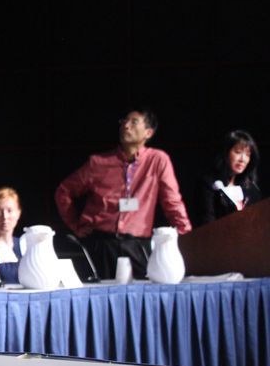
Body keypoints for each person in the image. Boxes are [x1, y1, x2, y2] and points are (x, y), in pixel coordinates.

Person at [54, 108, 191, 280]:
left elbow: (172, 202)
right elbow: (64, 191)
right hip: (100, 243)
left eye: (134, 122)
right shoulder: (99, 162)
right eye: (124, 121)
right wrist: (75, 225)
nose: (126, 126)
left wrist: (186, 237)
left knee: (139, 300)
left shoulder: (157, 160)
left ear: (148, 132)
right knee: (97, 299)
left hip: (136, 245)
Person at [197, 130, 262, 226]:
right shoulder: (208, 183)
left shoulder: (251, 188)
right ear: (225, 153)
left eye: (247, 155)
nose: (242, 159)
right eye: (238, 152)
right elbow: (206, 221)